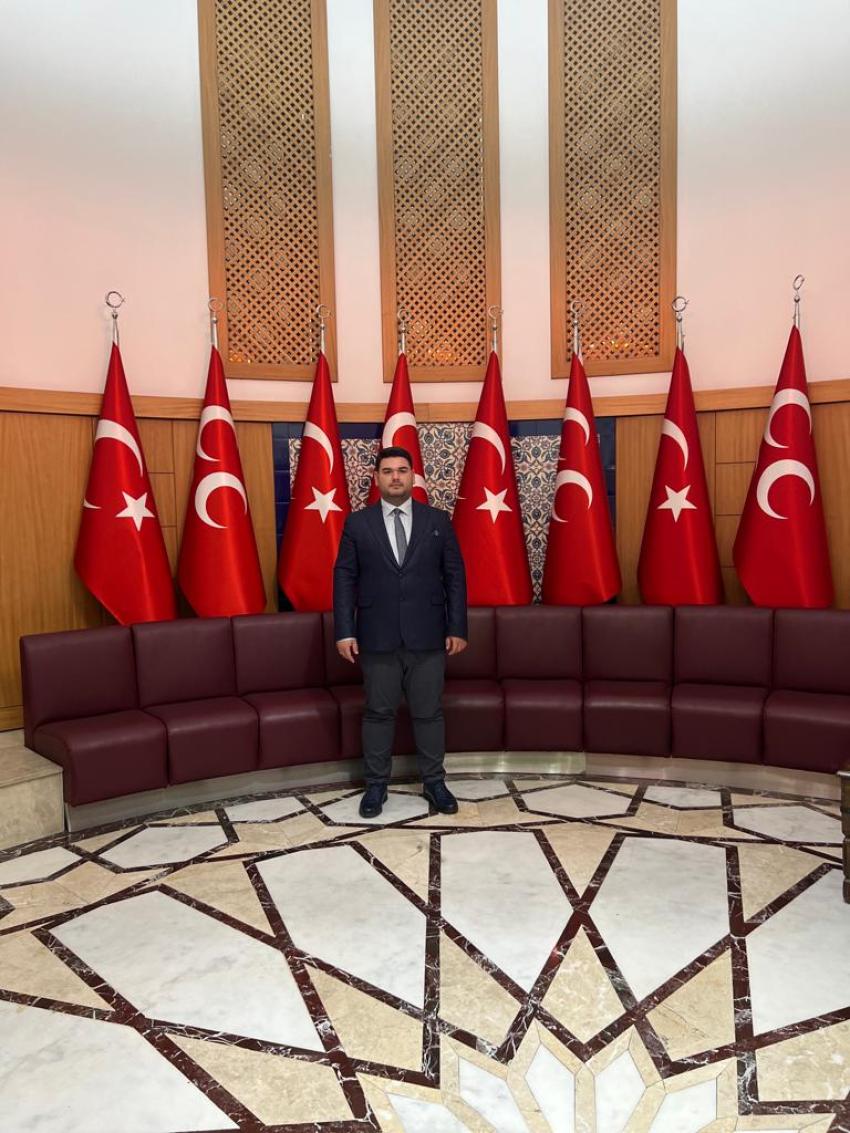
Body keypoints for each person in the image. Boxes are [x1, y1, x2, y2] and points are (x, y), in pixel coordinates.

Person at [333, 446, 468, 818]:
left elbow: (455, 576)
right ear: (377, 478)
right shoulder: (357, 524)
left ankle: (434, 783)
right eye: (388, 471)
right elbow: (344, 578)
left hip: (429, 636)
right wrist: (344, 631)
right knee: (378, 713)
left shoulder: (437, 520)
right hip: (376, 637)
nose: (395, 477)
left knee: (429, 713)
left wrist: (457, 626)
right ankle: (376, 786)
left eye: (402, 470)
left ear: (412, 476)